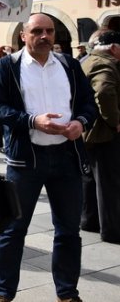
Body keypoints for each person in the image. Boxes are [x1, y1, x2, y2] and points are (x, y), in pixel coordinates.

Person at [0, 13, 96, 302]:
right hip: (26, 160)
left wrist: (81, 122)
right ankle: (3, 293)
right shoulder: (8, 66)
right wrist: (33, 121)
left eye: (49, 31)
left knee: (68, 231)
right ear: (24, 35)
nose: (44, 36)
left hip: (66, 157)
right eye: (37, 31)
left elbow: (89, 102)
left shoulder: (69, 65)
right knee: (13, 230)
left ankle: (67, 293)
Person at [79, 29, 120, 244]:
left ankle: (89, 220)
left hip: (87, 130)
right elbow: (104, 92)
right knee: (108, 182)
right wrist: (115, 120)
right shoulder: (106, 63)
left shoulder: (87, 60)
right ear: (113, 48)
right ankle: (112, 230)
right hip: (102, 132)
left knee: (90, 178)